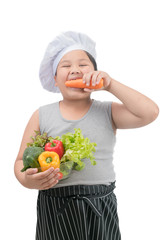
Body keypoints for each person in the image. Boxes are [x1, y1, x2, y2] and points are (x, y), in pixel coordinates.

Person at [14, 31, 159, 240]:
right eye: (65, 66)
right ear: (55, 79)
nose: (75, 70)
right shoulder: (41, 115)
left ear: (95, 74)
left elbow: (150, 113)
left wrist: (110, 85)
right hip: (55, 206)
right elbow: (20, 160)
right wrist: (27, 180)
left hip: (101, 204)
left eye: (83, 65)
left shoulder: (109, 111)